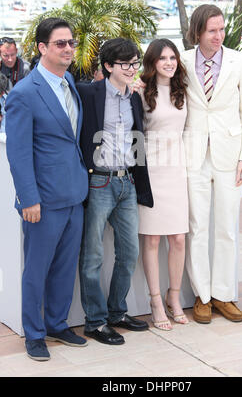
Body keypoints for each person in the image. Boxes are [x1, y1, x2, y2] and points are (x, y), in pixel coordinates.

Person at [5, 18, 89, 361]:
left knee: (65, 267)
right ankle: (34, 334)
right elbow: (19, 153)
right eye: (60, 43)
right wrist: (29, 198)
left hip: (75, 194)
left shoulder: (68, 80)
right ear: (42, 48)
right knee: (36, 270)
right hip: (43, 200)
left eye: (71, 42)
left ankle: (56, 323)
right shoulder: (24, 93)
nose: (68, 48)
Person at [181, 4, 242, 324]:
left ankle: (224, 295)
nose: (218, 35)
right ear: (198, 31)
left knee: (226, 227)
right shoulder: (181, 60)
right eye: (212, 30)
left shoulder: (239, 61)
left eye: (221, 29)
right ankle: (202, 295)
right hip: (193, 155)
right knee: (197, 227)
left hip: (229, 156)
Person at [76, 37, 153, 346]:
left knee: (129, 252)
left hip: (127, 182)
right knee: (92, 254)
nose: (132, 69)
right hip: (99, 182)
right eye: (126, 64)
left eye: (135, 63)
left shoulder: (133, 97)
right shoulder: (88, 93)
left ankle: (117, 312)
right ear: (108, 66)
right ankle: (95, 321)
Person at [136, 39, 189, 330]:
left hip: (177, 170)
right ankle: (155, 300)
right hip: (152, 172)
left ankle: (174, 297)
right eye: (163, 58)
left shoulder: (183, 90)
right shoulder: (142, 91)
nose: (169, 62)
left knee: (178, 239)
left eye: (173, 57)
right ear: (152, 62)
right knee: (153, 239)